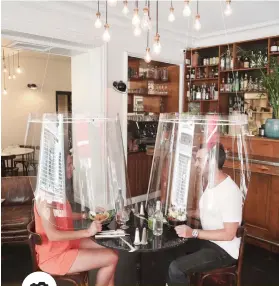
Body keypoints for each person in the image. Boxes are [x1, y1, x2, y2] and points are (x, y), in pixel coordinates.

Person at [34, 151, 118, 286]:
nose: (72, 167)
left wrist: (86, 215)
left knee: (111, 249)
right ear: (57, 168)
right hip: (54, 256)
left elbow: (62, 214)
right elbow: (52, 235)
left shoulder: (56, 190)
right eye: (69, 164)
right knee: (111, 258)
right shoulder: (45, 198)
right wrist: (87, 232)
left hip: (67, 244)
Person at [168, 143, 242, 286]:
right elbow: (206, 211)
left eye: (200, 160)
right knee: (171, 248)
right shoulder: (211, 183)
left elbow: (229, 234)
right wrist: (182, 213)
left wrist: (194, 233)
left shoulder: (230, 191)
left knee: (176, 268)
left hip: (223, 250)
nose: (196, 164)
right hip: (208, 241)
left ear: (212, 162)